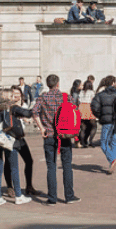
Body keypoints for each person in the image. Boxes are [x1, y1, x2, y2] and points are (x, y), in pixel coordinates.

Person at [0, 88, 32, 205]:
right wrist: (38, 108)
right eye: (12, 95)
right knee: (14, 167)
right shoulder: (11, 107)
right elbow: (28, 113)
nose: (14, 97)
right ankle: (18, 196)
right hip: (8, 140)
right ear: (9, 97)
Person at [35, 74, 78, 204]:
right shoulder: (66, 97)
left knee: (51, 166)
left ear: (47, 84)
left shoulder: (43, 97)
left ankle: (52, 198)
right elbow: (74, 110)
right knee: (67, 166)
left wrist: (42, 128)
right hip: (64, 134)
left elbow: (34, 112)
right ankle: (69, 196)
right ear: (58, 83)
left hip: (49, 134)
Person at [90, 76, 116, 174]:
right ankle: (112, 162)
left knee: (103, 143)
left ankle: (112, 160)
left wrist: (101, 115)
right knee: (113, 142)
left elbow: (94, 107)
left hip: (107, 121)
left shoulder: (100, 95)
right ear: (113, 83)